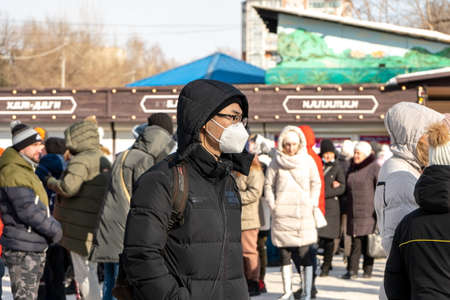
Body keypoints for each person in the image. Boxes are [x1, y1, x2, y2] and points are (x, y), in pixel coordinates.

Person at [121, 79, 254, 300]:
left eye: (242, 119)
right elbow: (141, 254)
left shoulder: (227, 179)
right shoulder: (163, 179)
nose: (240, 126)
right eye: (233, 117)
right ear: (203, 119)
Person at [90, 113, 175, 300]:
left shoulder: (123, 155)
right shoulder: (145, 160)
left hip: (109, 229)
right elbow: (149, 199)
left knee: (111, 283)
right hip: (127, 231)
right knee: (125, 286)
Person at [374, 102, 444, 299]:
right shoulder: (401, 175)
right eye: (430, 136)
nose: (434, 143)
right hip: (410, 285)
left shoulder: (406, 167)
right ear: (414, 136)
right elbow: (401, 239)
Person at [47, 117, 111, 300]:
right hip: (94, 224)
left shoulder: (81, 160)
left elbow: (68, 187)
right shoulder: (102, 158)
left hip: (77, 227)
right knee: (91, 269)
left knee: (83, 272)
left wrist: (49, 181)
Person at [0, 121, 62, 300]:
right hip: (23, 248)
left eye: (41, 144)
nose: (41, 149)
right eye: (35, 145)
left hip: (31, 244)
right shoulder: (14, 171)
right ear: (22, 148)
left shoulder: (26, 169)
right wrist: (55, 229)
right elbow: (27, 210)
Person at [264, 126, 321, 300]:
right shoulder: (276, 161)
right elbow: (268, 185)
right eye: (287, 144)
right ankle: (287, 291)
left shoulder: (308, 160)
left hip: (303, 215)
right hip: (282, 216)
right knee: (284, 255)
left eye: (294, 144)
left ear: (299, 144)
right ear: (282, 143)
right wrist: (273, 206)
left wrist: (312, 202)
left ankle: (306, 291)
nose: (290, 148)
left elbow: (315, 183)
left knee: (305, 255)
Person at [36, 137, 71, 300]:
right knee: (59, 271)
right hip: (63, 225)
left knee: (42, 272)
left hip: (41, 225)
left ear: (46, 150)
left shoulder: (38, 169)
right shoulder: (69, 170)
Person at [342, 141, 380, 279]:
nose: (356, 155)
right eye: (355, 152)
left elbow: (379, 188)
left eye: (358, 153)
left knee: (368, 243)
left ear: (365, 154)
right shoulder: (352, 167)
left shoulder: (374, 167)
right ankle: (352, 271)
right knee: (355, 242)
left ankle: (367, 270)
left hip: (369, 212)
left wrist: (378, 210)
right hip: (354, 212)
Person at [298, 125, 324, 299]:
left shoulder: (305, 158)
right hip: (314, 210)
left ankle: (308, 286)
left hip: (306, 210)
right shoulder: (314, 157)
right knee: (308, 250)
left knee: (305, 251)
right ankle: (308, 285)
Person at [235, 153, 265, 297]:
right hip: (237, 218)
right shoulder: (236, 170)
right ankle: (245, 280)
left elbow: (255, 193)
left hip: (249, 219)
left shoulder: (254, 171)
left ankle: (253, 281)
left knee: (249, 251)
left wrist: (235, 196)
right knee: (240, 253)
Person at [317, 139, 346, 277]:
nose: (328, 156)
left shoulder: (337, 167)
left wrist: (324, 194)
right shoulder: (318, 165)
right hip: (318, 207)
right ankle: (323, 262)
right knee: (318, 237)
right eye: (325, 153)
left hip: (332, 208)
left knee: (329, 239)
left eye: (330, 153)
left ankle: (326, 266)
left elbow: (342, 187)